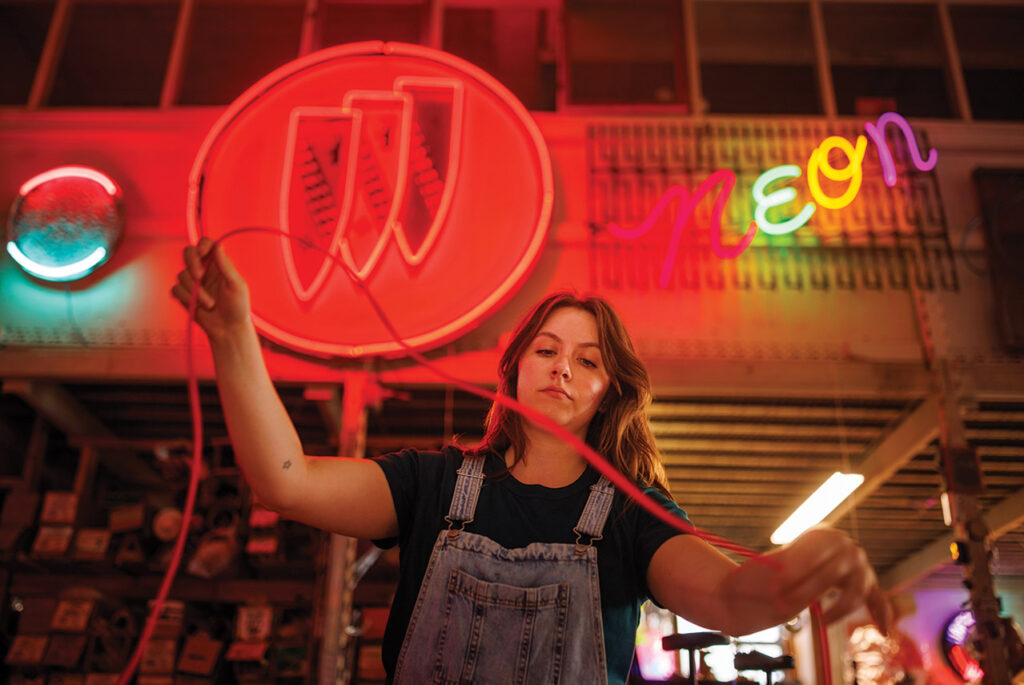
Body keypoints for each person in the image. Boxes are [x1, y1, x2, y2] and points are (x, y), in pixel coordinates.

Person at [173, 237, 891, 684]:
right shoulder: (433, 483)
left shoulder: (633, 516)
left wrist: (798, 565)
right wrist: (234, 336)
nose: (563, 368)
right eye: (546, 350)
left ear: (610, 392)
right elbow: (285, 480)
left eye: (589, 360)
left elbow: (735, 600)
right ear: (515, 368)